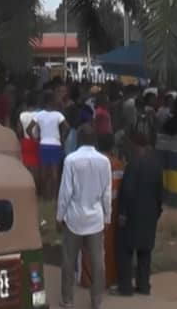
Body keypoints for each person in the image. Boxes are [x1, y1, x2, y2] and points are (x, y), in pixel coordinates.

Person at [57, 125, 111, 309]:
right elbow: (106, 193)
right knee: (98, 263)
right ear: (95, 140)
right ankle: (97, 301)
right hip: (95, 220)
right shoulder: (104, 161)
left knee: (68, 261)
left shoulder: (71, 160)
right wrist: (108, 217)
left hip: (74, 219)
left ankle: (67, 299)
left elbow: (65, 192)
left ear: (78, 139)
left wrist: (59, 216)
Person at [115, 132, 162, 296]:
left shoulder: (133, 165)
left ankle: (126, 287)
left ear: (136, 145)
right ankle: (143, 286)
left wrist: (122, 213)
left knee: (126, 250)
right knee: (145, 251)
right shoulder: (156, 165)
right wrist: (157, 212)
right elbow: (160, 192)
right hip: (150, 214)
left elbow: (128, 191)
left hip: (132, 214)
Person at [81, 134, 123, 291]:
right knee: (110, 246)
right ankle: (109, 279)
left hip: (92, 210)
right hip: (112, 212)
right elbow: (119, 190)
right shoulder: (118, 165)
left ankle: (88, 279)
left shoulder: (90, 163)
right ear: (112, 147)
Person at [28, 95, 68, 198]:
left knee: (43, 172)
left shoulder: (39, 115)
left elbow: (29, 128)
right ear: (52, 102)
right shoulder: (58, 115)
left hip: (43, 144)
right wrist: (62, 139)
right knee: (55, 172)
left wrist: (35, 139)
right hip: (55, 144)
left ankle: (44, 195)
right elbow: (67, 127)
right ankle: (54, 195)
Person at [17, 91, 41, 182]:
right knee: (35, 167)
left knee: (25, 166)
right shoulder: (39, 115)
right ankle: (35, 188)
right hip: (35, 141)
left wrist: (21, 140)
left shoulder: (22, 115)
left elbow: (19, 130)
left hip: (25, 142)